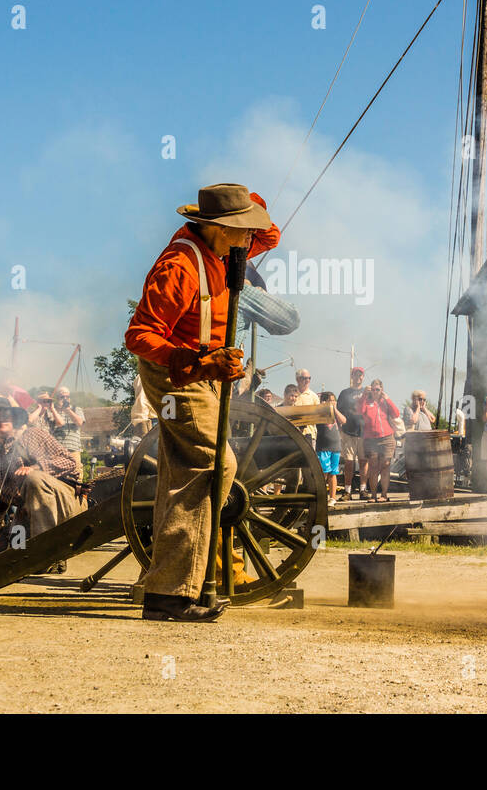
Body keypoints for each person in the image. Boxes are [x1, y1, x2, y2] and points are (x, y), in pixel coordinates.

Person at [124, 183, 278, 622]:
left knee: (186, 469)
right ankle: (173, 592)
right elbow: (139, 336)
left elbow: (270, 234)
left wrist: (246, 204)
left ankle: (165, 588)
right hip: (177, 373)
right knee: (213, 465)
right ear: (218, 228)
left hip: (206, 372)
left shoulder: (227, 249)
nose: (253, 238)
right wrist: (198, 360)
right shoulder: (180, 265)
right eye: (242, 229)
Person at [0, 396, 88, 570]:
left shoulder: (32, 434)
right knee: (8, 552)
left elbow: (71, 462)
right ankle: (44, 558)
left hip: (66, 507)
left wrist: (37, 467)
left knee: (34, 479)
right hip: (28, 518)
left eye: (4, 415)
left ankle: (45, 556)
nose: (0, 420)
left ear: (14, 419)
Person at [359, 379, 399, 503]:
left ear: (382, 390)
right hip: (371, 440)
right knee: (373, 467)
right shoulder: (366, 401)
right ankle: (373, 495)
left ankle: (384, 494)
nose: (375, 392)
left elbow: (396, 414)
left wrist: (388, 399)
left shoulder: (384, 402)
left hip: (387, 437)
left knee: (386, 466)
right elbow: (359, 411)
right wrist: (364, 395)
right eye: (373, 389)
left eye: (378, 389)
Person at [336, 367, 367, 499]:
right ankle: (347, 491)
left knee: (364, 462)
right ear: (352, 376)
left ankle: (363, 490)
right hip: (348, 432)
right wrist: (339, 429)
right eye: (356, 375)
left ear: (363, 377)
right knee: (349, 462)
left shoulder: (368, 392)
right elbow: (337, 412)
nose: (358, 377)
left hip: (365, 432)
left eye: (360, 375)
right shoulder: (344, 393)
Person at [49, 386, 86, 474]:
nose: (65, 399)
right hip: (56, 451)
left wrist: (68, 411)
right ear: (57, 398)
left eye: (67, 397)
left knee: (76, 473)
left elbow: (80, 423)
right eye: (62, 397)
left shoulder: (76, 409)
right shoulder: (51, 411)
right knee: (57, 474)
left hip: (73, 449)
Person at [316, 391, 342, 507]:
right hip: (323, 446)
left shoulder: (336, 413)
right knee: (324, 472)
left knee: (333, 472)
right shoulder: (320, 413)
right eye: (329, 400)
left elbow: (344, 421)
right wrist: (323, 406)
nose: (332, 402)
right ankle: (322, 496)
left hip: (335, 446)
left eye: (333, 400)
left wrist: (334, 409)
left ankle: (332, 498)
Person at [293, 368, 320, 449]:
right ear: (297, 379)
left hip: (309, 434)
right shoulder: (292, 394)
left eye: (309, 378)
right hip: (292, 434)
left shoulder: (314, 396)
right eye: (305, 378)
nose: (307, 380)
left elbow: (318, 416)